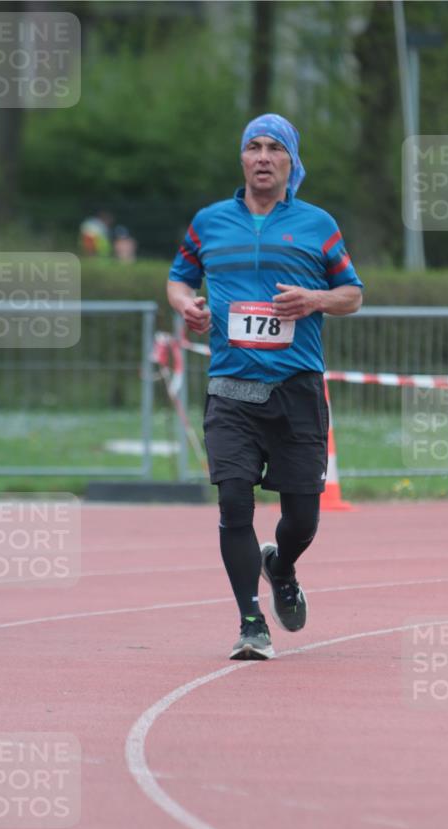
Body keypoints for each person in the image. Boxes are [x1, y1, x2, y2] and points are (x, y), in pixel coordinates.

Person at [167, 112, 363, 661]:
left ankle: (281, 565)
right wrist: (187, 304)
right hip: (231, 389)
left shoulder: (317, 224)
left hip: (295, 389)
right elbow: (179, 277)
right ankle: (251, 623)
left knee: (303, 515)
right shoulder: (209, 222)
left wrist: (315, 299)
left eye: (274, 147)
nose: (261, 156)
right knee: (234, 502)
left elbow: (353, 293)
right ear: (242, 159)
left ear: (290, 162)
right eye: (252, 146)